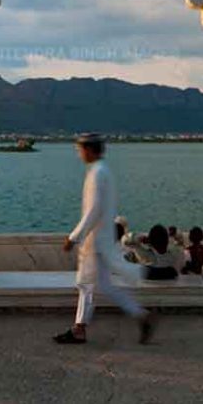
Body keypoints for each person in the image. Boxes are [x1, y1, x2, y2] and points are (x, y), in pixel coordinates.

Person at [54, 134, 155, 345]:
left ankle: (80, 329)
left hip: (95, 242)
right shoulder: (103, 171)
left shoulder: (98, 173)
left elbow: (93, 211)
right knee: (102, 286)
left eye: (80, 149)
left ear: (89, 150)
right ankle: (140, 315)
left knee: (86, 284)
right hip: (101, 240)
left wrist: (73, 237)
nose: (79, 154)